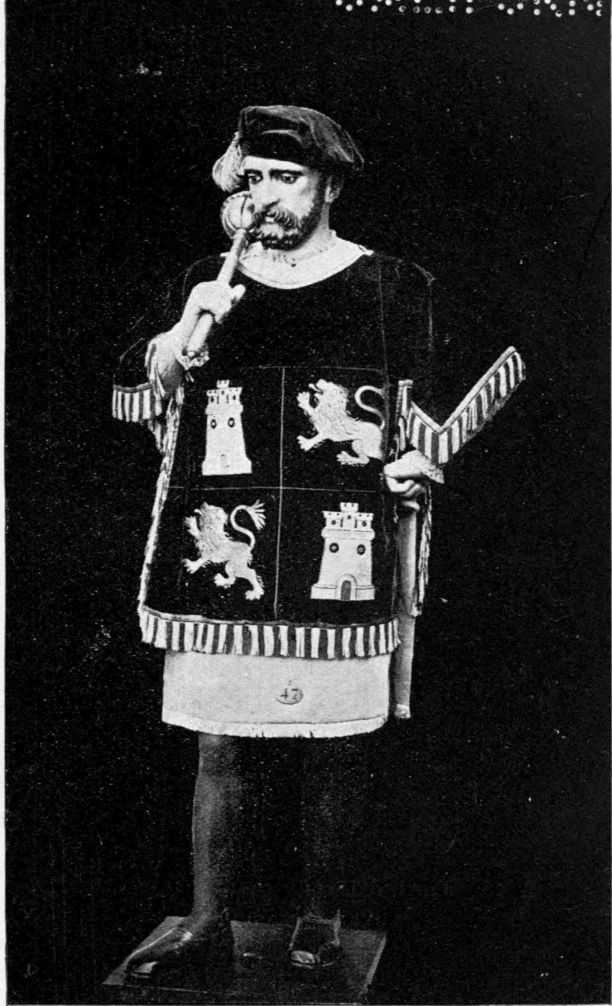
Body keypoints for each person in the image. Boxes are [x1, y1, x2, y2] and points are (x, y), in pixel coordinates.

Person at [113, 105, 444, 977]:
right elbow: (138, 396)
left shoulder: (392, 284)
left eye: (287, 178)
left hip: (339, 548)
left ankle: (321, 919)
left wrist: (414, 462)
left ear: (328, 184)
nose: (266, 196)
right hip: (224, 558)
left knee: (334, 748)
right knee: (218, 744)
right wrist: (183, 333)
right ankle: (206, 923)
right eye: (253, 177)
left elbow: (420, 415)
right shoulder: (204, 280)